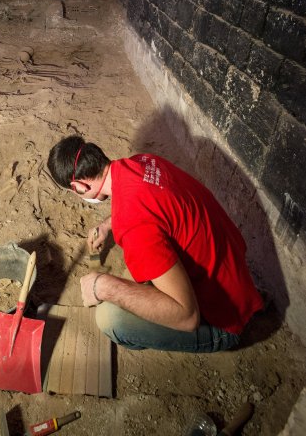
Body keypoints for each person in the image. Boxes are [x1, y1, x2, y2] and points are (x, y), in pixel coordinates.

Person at [47, 135, 264, 353]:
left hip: (225, 319)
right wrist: (106, 226)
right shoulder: (143, 162)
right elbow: (152, 206)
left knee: (110, 318)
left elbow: (188, 317)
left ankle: (216, 339)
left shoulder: (132, 226)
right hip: (235, 275)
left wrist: (103, 286)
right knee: (137, 275)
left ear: (79, 186)